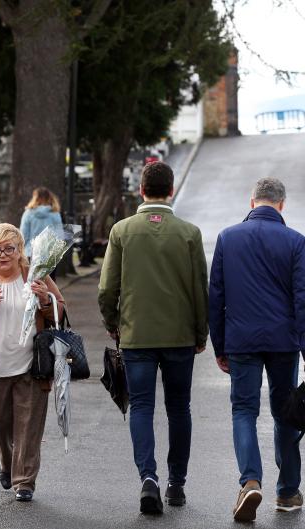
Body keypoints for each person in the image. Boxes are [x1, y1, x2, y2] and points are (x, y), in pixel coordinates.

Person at [98, 161, 208, 515]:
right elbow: (199, 289)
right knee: (179, 408)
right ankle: (177, 483)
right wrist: (200, 331)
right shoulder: (189, 233)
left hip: (137, 334)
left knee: (142, 406)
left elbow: (106, 288)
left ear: (141, 190)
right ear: (171, 190)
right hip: (178, 335)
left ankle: (149, 477)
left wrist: (113, 322)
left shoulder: (122, 231)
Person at [208, 177, 304, 522]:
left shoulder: (228, 238)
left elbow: (215, 297)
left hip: (242, 340)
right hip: (283, 341)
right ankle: (289, 492)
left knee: (244, 411)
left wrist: (220, 345)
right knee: (286, 411)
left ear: (252, 203)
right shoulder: (296, 242)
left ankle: (250, 481)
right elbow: (302, 301)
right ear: (281, 204)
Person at [0, 223, 64, 502]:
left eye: (9, 248)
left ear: (19, 251)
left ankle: (25, 481)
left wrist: (45, 299)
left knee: (29, 427)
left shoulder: (35, 276)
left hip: (32, 365)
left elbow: (59, 309)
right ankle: (7, 463)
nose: (3, 254)